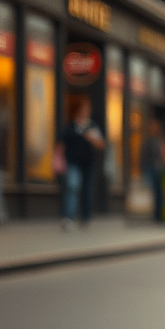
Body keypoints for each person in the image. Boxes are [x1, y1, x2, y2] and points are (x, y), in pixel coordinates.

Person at [56, 97, 105, 230]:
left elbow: (101, 144)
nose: (86, 110)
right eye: (84, 108)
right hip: (73, 162)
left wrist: (91, 138)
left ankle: (85, 217)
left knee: (87, 190)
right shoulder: (71, 126)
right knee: (73, 187)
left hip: (88, 163)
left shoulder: (92, 126)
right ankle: (69, 217)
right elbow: (61, 143)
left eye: (88, 108)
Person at [140, 118, 165, 221]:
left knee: (159, 192)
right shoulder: (148, 141)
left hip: (159, 169)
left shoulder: (160, 140)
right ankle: (156, 214)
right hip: (150, 169)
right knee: (154, 191)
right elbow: (143, 156)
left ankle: (160, 214)